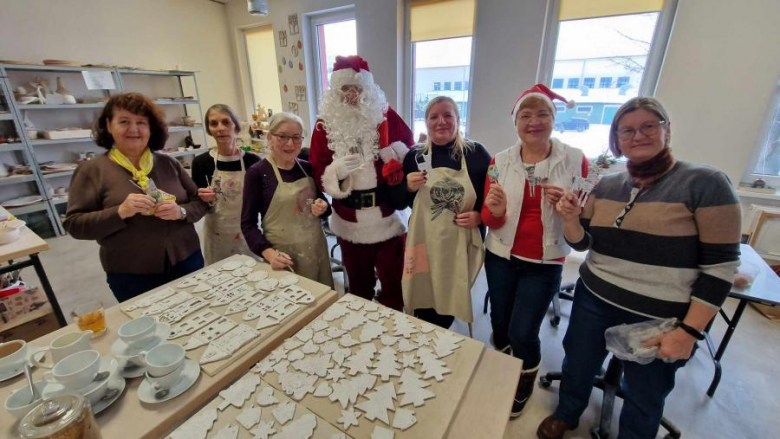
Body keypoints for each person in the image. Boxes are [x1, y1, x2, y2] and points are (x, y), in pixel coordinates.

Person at [537, 97, 741, 439]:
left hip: (660, 316)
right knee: (579, 363)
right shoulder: (607, 185)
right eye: (627, 130)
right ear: (616, 138)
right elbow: (582, 243)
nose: (638, 135)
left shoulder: (706, 184)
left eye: (649, 126)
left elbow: (720, 268)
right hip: (594, 298)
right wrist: (570, 218)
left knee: (645, 392)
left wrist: (689, 332)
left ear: (667, 130)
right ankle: (568, 412)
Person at [481, 84, 588, 417]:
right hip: (500, 255)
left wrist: (570, 211)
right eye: (525, 115)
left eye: (543, 114)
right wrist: (494, 211)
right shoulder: (499, 161)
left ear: (554, 120)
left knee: (523, 330)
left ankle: (525, 376)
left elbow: (582, 221)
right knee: (500, 324)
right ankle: (504, 366)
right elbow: (489, 218)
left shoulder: (575, 160)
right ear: (515, 123)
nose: (534, 121)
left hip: (544, 261)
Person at [64, 93, 208, 302]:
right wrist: (120, 212)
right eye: (124, 122)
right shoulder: (91, 170)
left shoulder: (168, 164)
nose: (134, 129)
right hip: (131, 272)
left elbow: (200, 200)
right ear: (109, 125)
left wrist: (182, 211)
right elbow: (75, 225)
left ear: (151, 128)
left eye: (141, 122)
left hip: (187, 259)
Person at [309, 55, 414, 310]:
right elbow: (317, 168)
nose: (353, 95)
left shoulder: (385, 115)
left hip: (386, 215)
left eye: (358, 88)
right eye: (346, 88)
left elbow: (409, 149)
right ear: (336, 91)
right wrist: (336, 171)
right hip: (349, 218)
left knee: (395, 283)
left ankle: (394, 327)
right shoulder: (324, 126)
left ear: (367, 90)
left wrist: (394, 153)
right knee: (358, 287)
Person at [393, 96, 490, 328]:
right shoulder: (414, 157)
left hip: (456, 242)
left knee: (448, 296)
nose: (441, 122)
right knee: (422, 291)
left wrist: (479, 216)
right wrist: (406, 186)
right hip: (423, 239)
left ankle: (441, 337)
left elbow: (491, 200)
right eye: (433, 117)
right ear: (426, 122)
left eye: (448, 115)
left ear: (458, 119)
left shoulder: (476, 154)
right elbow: (398, 203)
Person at [241, 112, 334, 287]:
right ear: (270, 138)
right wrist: (269, 254)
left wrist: (323, 207)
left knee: (321, 302)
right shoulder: (258, 173)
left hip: (315, 249)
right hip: (283, 255)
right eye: (282, 137)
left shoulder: (307, 167)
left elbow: (324, 206)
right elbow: (248, 224)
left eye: (296, 137)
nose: (290, 144)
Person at [192, 104, 260, 264]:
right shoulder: (201, 162)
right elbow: (195, 203)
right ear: (209, 129)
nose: (220, 128)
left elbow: (262, 202)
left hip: (246, 231)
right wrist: (203, 198)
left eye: (226, 122)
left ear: (236, 126)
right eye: (214, 123)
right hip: (217, 233)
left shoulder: (253, 162)